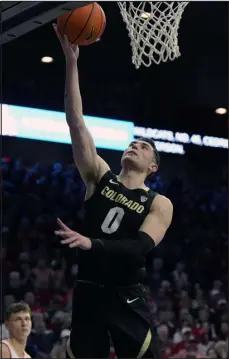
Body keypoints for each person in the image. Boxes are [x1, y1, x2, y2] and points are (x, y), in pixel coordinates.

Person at [53, 24, 173, 359]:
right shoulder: (98, 176)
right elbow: (75, 120)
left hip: (125, 294)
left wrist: (92, 243)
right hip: (88, 291)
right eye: (133, 142)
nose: (135, 145)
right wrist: (72, 62)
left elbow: (139, 247)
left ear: (153, 167)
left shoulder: (159, 203)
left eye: (144, 146)